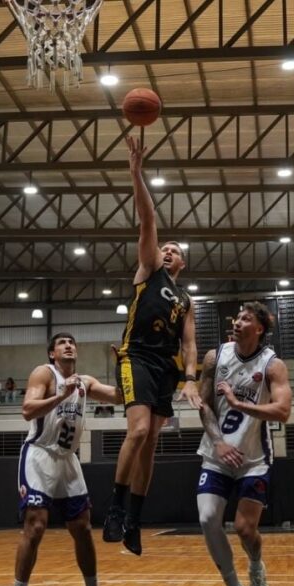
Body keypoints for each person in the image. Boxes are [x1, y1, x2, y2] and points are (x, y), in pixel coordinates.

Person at [104, 135, 201, 555]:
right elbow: (148, 221)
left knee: (152, 444)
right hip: (137, 357)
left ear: (182, 264)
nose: (167, 251)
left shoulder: (185, 299)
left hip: (167, 367)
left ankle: (135, 521)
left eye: (174, 251)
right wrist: (136, 172)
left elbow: (191, 344)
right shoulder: (148, 271)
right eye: (165, 247)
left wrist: (192, 379)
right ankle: (114, 506)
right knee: (138, 430)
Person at [12, 332, 120, 586]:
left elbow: (119, 397)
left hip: (68, 459)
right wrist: (61, 395)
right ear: (52, 353)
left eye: (72, 343)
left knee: (82, 528)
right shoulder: (44, 373)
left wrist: (124, 368)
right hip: (40, 453)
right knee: (36, 526)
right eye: (62, 343)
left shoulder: (85, 382)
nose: (69, 345)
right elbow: (27, 409)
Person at [196, 302, 292, 586]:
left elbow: (283, 411)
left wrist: (239, 404)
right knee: (208, 518)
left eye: (245, 319)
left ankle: (255, 564)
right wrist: (219, 442)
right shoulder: (215, 356)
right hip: (217, 455)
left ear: (259, 329)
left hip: (254, 459)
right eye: (236, 317)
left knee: (245, 529)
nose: (237, 322)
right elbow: (204, 405)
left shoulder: (272, 365)